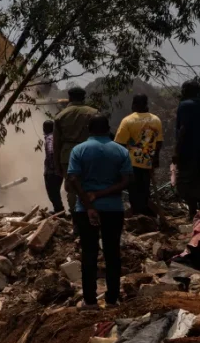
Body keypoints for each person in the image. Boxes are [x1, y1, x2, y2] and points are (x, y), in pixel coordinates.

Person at [66, 114, 133, 308]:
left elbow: (73, 179)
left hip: (85, 210)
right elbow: (127, 180)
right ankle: (112, 299)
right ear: (108, 128)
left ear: (89, 129)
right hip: (113, 209)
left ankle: (90, 301)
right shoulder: (121, 151)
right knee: (112, 253)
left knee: (89, 253)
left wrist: (88, 204)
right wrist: (103, 193)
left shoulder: (78, 150)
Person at [114, 94, 162, 217]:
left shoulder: (128, 120)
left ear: (134, 104)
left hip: (131, 163)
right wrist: (155, 158)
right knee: (145, 189)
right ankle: (146, 214)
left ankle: (138, 215)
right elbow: (159, 142)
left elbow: (119, 144)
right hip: (147, 162)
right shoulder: (156, 119)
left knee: (134, 190)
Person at [54, 87, 99, 215]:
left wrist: (57, 165)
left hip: (67, 154)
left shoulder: (61, 115)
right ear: (83, 98)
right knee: (90, 183)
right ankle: (90, 212)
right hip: (89, 152)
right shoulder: (94, 112)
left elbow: (56, 144)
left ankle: (75, 215)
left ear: (70, 98)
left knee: (71, 187)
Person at [175, 80, 200, 218]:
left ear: (187, 91)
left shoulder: (185, 105)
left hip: (187, 149)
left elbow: (183, 128)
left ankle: (192, 211)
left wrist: (177, 149)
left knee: (187, 180)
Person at [43, 120, 65, 214]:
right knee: (55, 192)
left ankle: (59, 211)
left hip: (52, 171)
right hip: (57, 170)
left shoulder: (49, 138)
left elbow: (51, 152)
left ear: (45, 128)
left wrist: (52, 168)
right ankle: (59, 210)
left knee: (52, 192)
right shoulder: (56, 137)